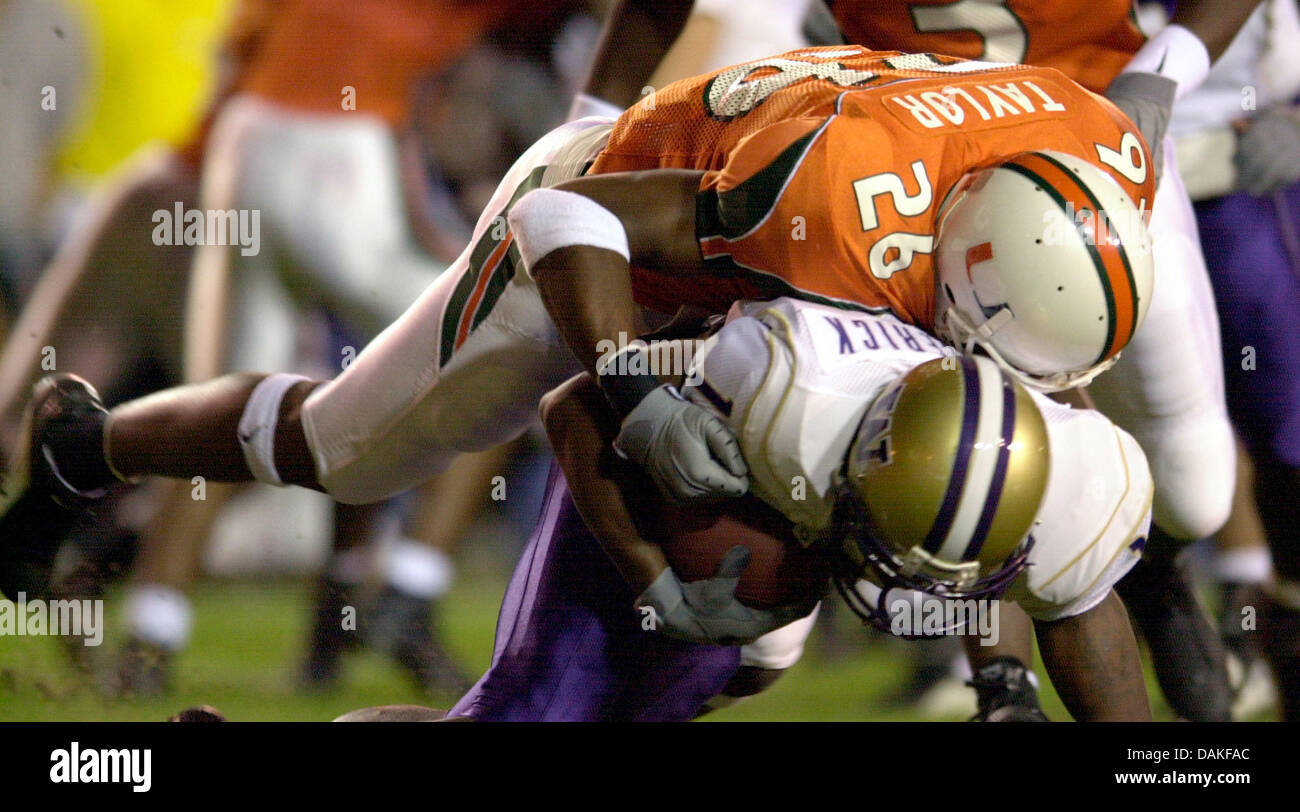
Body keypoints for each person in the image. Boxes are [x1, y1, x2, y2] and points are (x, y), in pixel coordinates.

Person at [0, 47, 1155, 615]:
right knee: (340, 448)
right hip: (593, 222)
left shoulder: (1099, 163)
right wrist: (633, 386)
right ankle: (84, 441)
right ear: (963, 263)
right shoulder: (830, 205)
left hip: (735, 261)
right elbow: (570, 219)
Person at [445, 297, 1153, 721]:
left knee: (747, 660)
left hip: (820, 491)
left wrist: (1006, 691)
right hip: (672, 413)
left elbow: (1043, 586)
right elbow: (574, 403)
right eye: (895, 543)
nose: (912, 589)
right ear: (866, 459)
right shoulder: (782, 387)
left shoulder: (1075, 472)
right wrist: (652, 578)